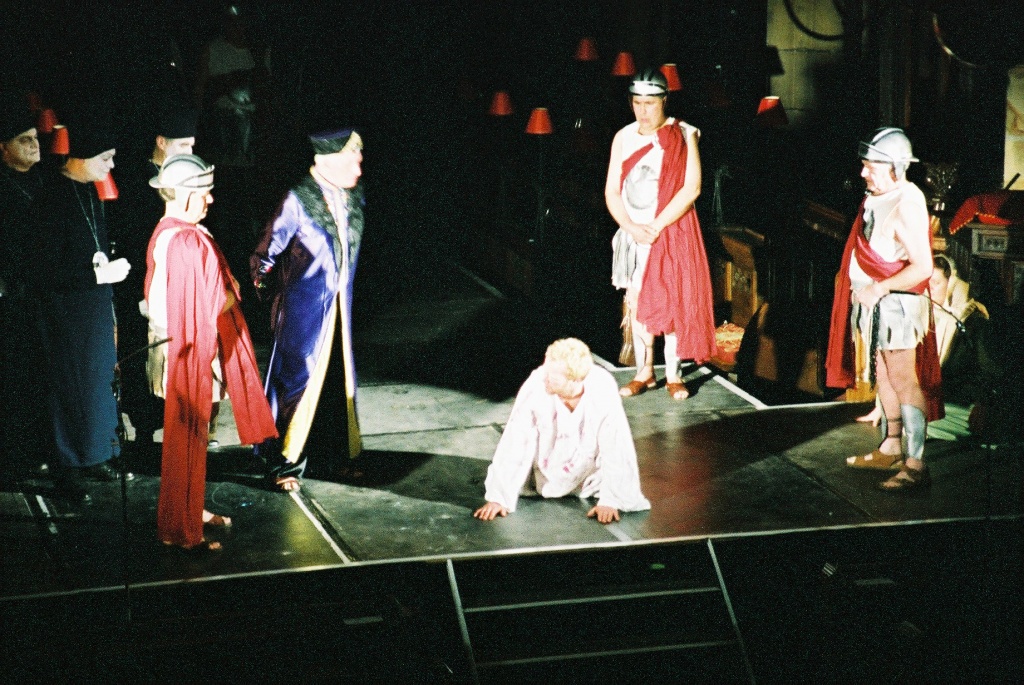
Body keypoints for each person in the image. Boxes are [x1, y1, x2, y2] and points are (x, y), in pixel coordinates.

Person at [144, 153, 276, 550]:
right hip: (186, 352)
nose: (211, 199)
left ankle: (190, 511)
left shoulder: (179, 232)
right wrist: (234, 292)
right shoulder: (184, 240)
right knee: (187, 438)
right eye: (205, 192)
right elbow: (209, 302)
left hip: (190, 346)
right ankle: (182, 532)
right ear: (185, 195)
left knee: (195, 438)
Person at [251, 127, 365, 492]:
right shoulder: (298, 200)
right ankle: (283, 461)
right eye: (352, 158)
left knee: (335, 382)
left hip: (340, 312)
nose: (359, 167)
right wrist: (276, 302)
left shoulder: (352, 197)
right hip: (303, 313)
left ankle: (334, 457)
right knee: (296, 382)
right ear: (327, 160)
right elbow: (264, 256)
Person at [825, 127, 939, 492]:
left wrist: (880, 287)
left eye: (870, 166)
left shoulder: (907, 202)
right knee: (883, 373)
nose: (863, 173)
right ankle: (891, 446)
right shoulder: (877, 196)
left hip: (896, 305)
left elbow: (922, 267)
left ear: (895, 167)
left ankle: (916, 465)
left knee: (904, 379)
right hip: (874, 301)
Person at [29, 112, 134, 502]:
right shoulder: (50, 197)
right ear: (83, 156)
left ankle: (95, 454)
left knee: (97, 383)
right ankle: (67, 467)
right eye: (105, 158)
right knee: (68, 386)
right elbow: (42, 267)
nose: (110, 165)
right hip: (64, 310)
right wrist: (95, 274)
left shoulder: (89, 191)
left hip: (93, 305)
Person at [605, 67, 717, 401]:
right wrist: (631, 227)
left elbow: (692, 188)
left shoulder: (683, 134)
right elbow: (612, 191)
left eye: (650, 103)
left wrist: (655, 227)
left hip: (669, 232)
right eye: (637, 102)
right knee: (638, 302)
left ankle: (673, 374)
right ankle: (644, 372)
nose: (643, 110)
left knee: (670, 300)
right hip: (633, 233)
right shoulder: (623, 137)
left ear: (664, 100)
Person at [473, 338, 651, 524]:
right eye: (546, 371)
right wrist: (499, 498)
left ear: (574, 379)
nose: (545, 378)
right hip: (542, 473)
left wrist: (611, 501)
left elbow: (616, 444)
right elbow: (516, 439)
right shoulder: (536, 385)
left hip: (586, 474)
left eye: (553, 377)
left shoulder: (601, 387)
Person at [112, 106, 206, 449]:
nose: (189, 152)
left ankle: (182, 423)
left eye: (192, 145)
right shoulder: (136, 181)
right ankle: (144, 427)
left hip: (176, 279)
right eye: (183, 145)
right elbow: (131, 235)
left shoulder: (188, 173)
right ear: (161, 142)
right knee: (143, 353)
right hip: (141, 280)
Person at [0, 93, 50, 481]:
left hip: (40, 294)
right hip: (10, 297)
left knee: (39, 377)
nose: (34, 145)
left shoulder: (42, 182)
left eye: (35, 138)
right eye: (24, 139)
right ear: (3, 148)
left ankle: (38, 450)